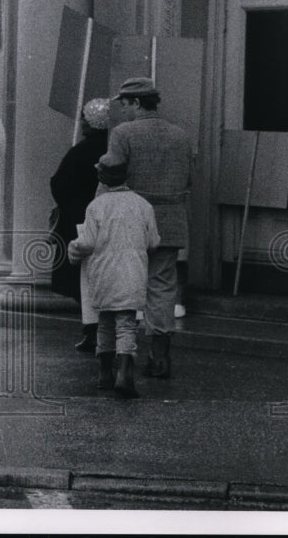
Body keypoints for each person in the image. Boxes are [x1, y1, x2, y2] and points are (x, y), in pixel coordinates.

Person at [103, 77, 192, 379]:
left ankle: (124, 356)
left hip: (133, 217)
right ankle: (160, 356)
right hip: (171, 218)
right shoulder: (180, 135)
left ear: (137, 103)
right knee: (163, 286)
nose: (123, 111)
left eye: (125, 104)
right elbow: (189, 179)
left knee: (126, 284)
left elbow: (112, 173)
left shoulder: (122, 133)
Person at [68, 160, 159, 398]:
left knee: (105, 322)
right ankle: (125, 373)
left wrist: (72, 250)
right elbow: (154, 242)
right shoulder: (143, 205)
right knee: (127, 324)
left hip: (103, 273)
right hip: (132, 272)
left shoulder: (96, 206)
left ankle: (104, 373)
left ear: (102, 179)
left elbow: (87, 242)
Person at [49, 97, 110, 354]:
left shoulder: (79, 152)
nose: (82, 122)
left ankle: (92, 331)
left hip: (79, 221)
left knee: (84, 279)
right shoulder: (112, 149)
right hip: (107, 221)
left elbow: (59, 183)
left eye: (85, 118)